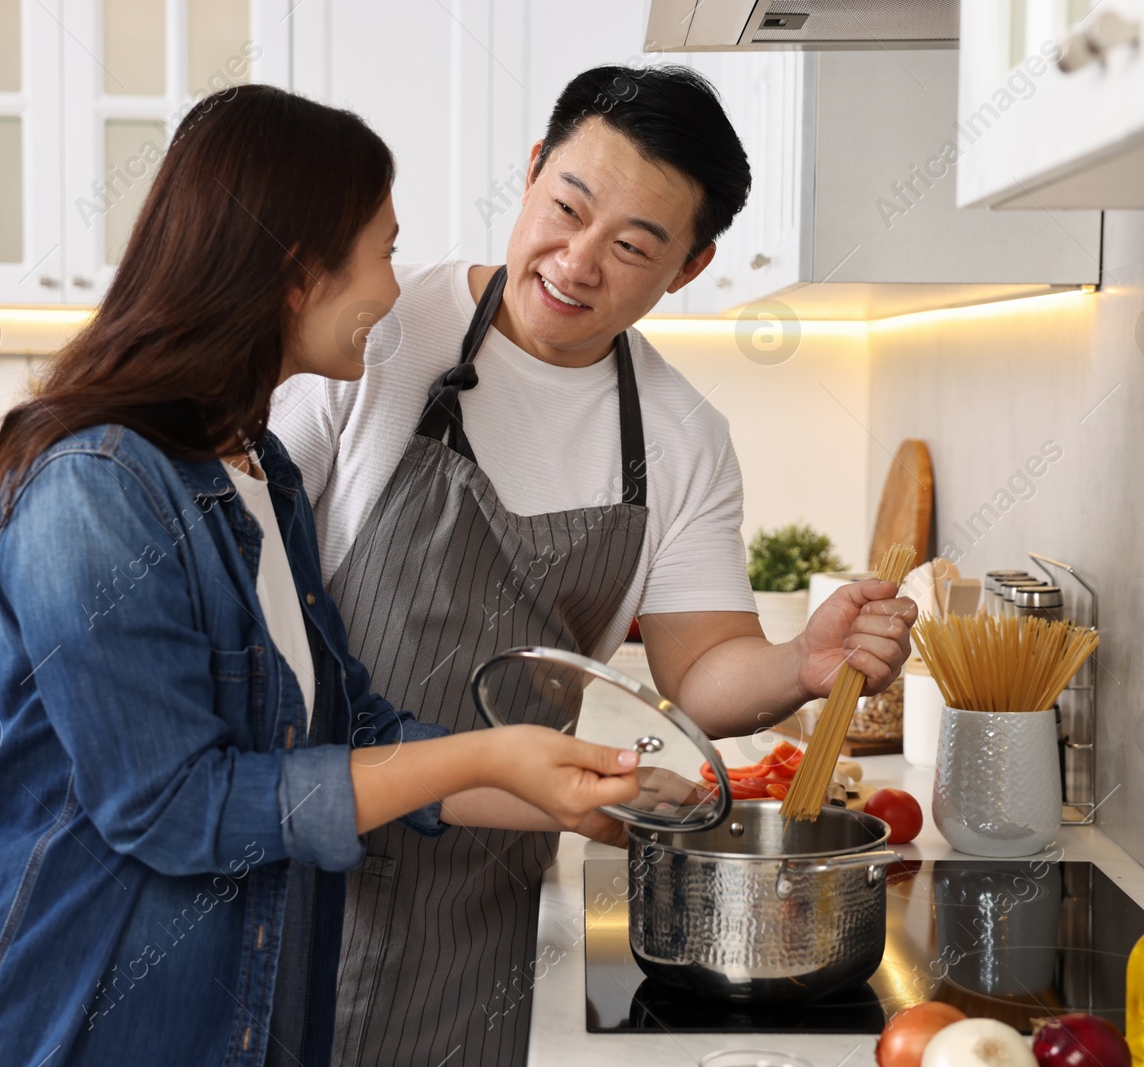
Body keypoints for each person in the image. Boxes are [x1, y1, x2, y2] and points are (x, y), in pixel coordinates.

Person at [0, 84, 641, 1067]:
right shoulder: (97, 486)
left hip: (233, 1019)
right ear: (296, 273)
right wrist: (487, 759)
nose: (387, 288)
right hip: (67, 1021)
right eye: (379, 250)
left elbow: (350, 730)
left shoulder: (257, 470)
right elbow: (173, 805)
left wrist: (560, 791)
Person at [269, 64, 921, 1066]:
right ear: (531, 172)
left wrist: (801, 664)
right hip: (302, 843)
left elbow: (699, 669)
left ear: (688, 270)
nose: (575, 262)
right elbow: (252, 583)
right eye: (566, 207)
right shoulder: (377, 336)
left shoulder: (679, 434)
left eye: (631, 246)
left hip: (484, 883)